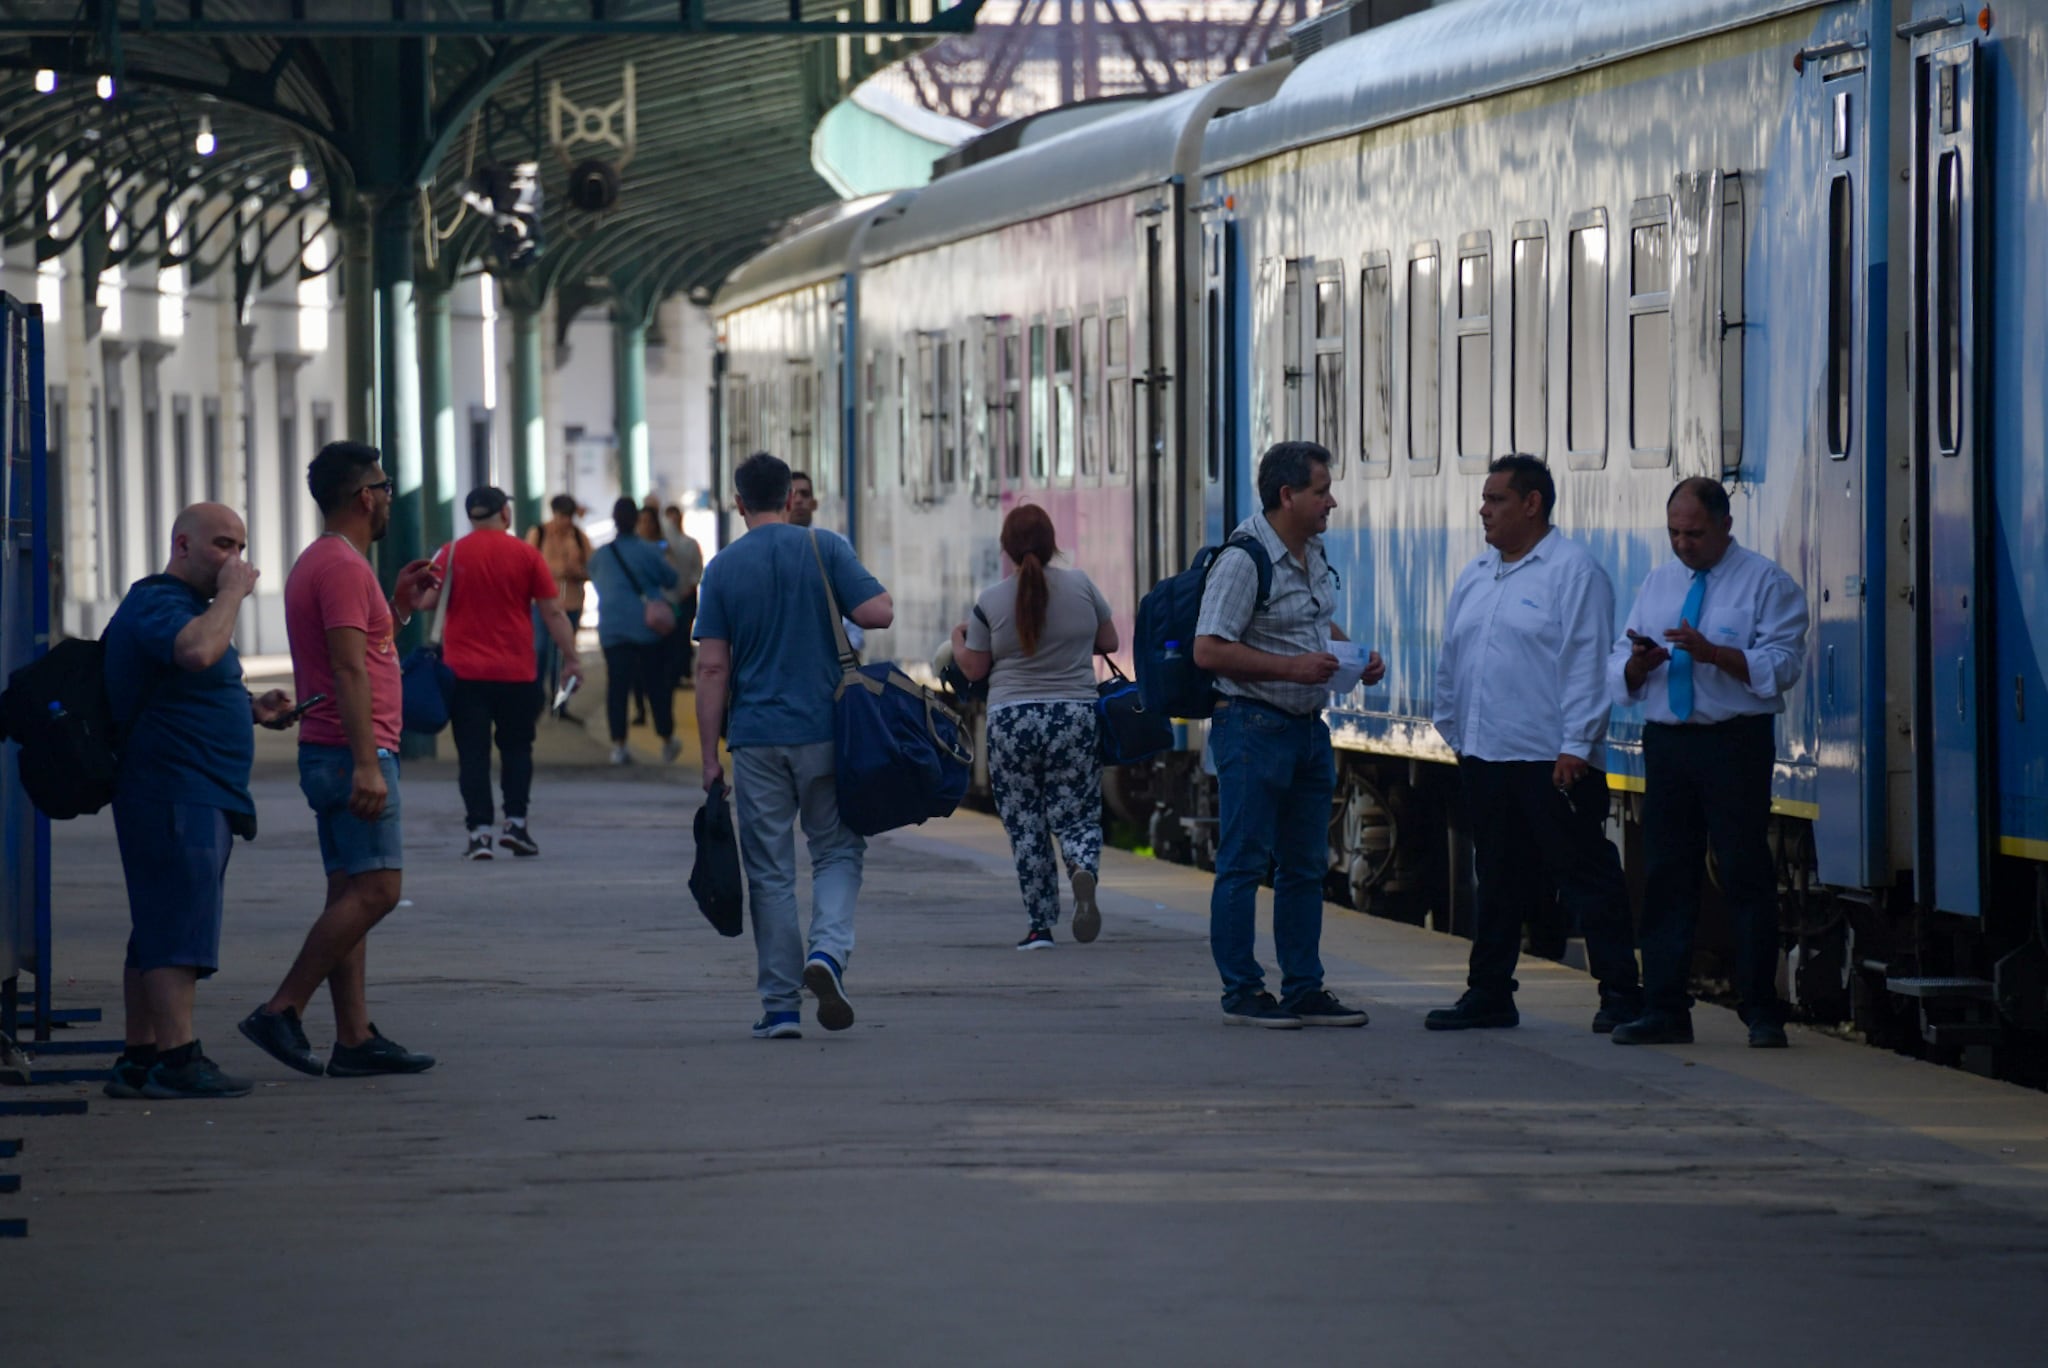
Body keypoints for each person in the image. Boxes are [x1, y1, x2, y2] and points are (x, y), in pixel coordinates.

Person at [237, 441, 439, 1080]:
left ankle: (353, 1038)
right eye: (383, 487)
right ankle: (282, 1007)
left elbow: (364, 651)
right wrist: (367, 763)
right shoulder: (344, 568)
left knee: (348, 889)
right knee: (379, 890)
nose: (387, 498)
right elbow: (350, 668)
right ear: (364, 496)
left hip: (329, 747)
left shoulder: (325, 562)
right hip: (352, 750)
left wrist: (400, 607)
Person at [1425, 455, 1643, 1033]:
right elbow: (1454, 656)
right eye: (1484, 499)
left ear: (1532, 504)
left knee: (1585, 875)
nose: (1483, 510)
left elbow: (1587, 665)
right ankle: (1490, 992)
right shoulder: (1476, 573)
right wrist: (1452, 728)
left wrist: (1577, 745)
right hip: (1486, 755)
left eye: (1495, 499)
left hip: (1552, 759)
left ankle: (1621, 993)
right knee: (1495, 876)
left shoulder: (1575, 573)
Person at [100, 503, 298, 1100]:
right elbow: (195, 653)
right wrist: (232, 597)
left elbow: (192, 683)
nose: (235, 559)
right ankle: (179, 1058)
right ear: (181, 544)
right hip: (172, 790)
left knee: (157, 926)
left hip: (195, 787)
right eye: (221, 545)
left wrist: (249, 709)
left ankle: (141, 1055)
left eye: (240, 546)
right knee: (178, 928)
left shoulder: (188, 608)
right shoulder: (160, 602)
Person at [694, 451, 892, 1040]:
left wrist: (709, 759)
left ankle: (781, 1007)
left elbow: (711, 669)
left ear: (738, 503)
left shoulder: (723, 569)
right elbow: (877, 613)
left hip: (756, 740)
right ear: (789, 498)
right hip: (827, 733)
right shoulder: (823, 547)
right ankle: (827, 955)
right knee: (835, 850)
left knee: (771, 870)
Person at [1607, 477, 1808, 1049]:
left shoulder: (1766, 584)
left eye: (1694, 533)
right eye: (1673, 532)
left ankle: (1762, 1011)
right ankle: (1665, 1006)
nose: (1682, 544)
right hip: (1670, 742)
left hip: (1734, 742)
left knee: (1745, 873)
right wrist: (1639, 665)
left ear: (1725, 525)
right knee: (1667, 874)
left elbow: (1783, 664)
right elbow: (1621, 656)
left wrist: (1714, 654)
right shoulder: (1659, 580)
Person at [1193, 440, 1383, 1029]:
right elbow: (1208, 649)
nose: (1332, 501)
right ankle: (1243, 992)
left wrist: (1351, 656)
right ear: (1288, 496)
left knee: (1304, 866)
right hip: (1251, 726)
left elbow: (1314, 619)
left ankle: (1304, 987)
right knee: (1244, 863)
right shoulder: (1244, 560)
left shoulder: (1313, 552)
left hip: (1306, 730)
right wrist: (1291, 668)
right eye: (1322, 490)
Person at [950, 504, 1117, 949]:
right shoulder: (1081, 585)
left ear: (1006, 549)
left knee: (1026, 824)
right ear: (1052, 544)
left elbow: (974, 668)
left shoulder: (990, 600)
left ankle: (1040, 926)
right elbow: (1110, 642)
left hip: (1011, 720)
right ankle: (1082, 866)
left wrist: (956, 641)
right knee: (1078, 812)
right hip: (1073, 716)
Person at [421, 486, 582, 860]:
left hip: (464, 674)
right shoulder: (526, 554)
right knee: (517, 749)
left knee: (473, 754)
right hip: (517, 672)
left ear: (471, 516)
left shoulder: (451, 553)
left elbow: (428, 601)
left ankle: (479, 834)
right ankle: (516, 825)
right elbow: (553, 613)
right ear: (505, 515)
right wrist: (571, 658)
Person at [586, 495, 679, 765]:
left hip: (612, 630)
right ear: (637, 520)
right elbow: (671, 579)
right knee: (656, 686)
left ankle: (619, 745)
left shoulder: (600, 556)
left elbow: (595, 579)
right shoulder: (650, 551)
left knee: (617, 688)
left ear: (614, 521)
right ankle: (666, 739)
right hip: (648, 630)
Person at [526, 493, 591, 705]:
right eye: (563, 516)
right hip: (543, 604)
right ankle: (536, 699)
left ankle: (561, 702)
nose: (566, 522)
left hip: (572, 603)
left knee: (564, 655)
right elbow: (528, 566)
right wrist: (558, 570)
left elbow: (591, 568)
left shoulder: (580, 538)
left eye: (570, 517)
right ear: (554, 514)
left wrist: (577, 571)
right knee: (541, 650)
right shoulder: (539, 533)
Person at [660, 503, 704, 690]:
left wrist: (690, 586)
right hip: (668, 597)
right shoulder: (661, 546)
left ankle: (683, 671)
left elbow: (698, 569)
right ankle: (672, 672)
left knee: (683, 634)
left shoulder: (690, 544)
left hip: (686, 596)